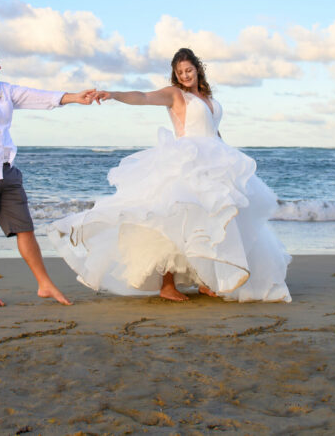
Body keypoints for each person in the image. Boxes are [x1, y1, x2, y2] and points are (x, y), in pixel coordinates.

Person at [48, 48, 292, 302]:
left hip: (215, 161)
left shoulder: (207, 96)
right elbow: (143, 97)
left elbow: (213, 130)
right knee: (174, 219)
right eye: (180, 72)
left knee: (209, 221)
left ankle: (205, 280)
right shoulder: (176, 95)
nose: (185, 75)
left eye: (189, 70)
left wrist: (228, 156)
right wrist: (113, 95)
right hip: (186, 161)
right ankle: (167, 285)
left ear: (198, 69)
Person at [0, 45, 96, 307]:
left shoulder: (3, 91)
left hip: (7, 173)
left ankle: (44, 284)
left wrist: (74, 97)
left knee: (25, 229)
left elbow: (37, 97)